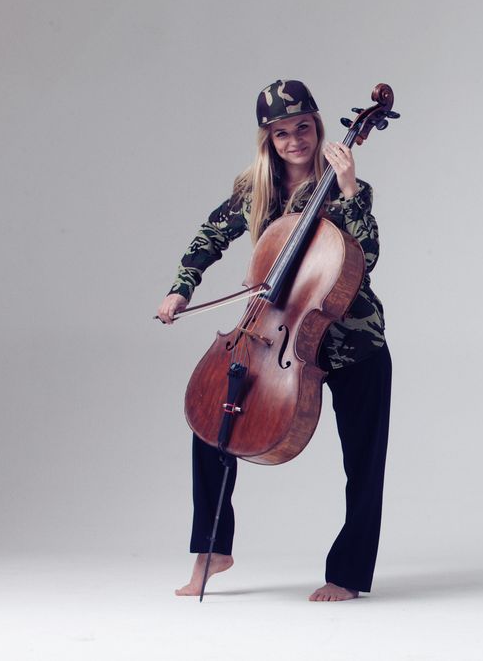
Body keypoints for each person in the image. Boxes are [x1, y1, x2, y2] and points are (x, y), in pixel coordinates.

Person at [156, 79, 392, 602]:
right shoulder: (254, 191)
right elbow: (208, 238)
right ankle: (212, 551)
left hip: (352, 343)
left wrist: (349, 188)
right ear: (268, 138)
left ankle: (347, 574)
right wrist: (180, 288)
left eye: (302, 128)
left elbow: (367, 256)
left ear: (317, 127)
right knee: (212, 423)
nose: (294, 140)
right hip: (273, 337)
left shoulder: (347, 187)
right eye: (281, 133)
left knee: (363, 460)